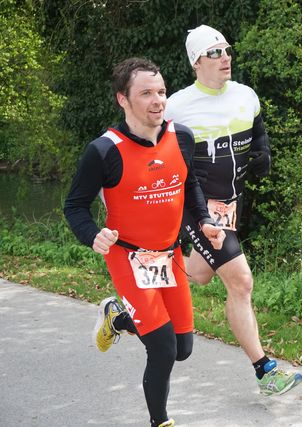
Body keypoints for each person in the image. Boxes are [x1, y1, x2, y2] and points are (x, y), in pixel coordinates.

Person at [64, 57, 225, 427]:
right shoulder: (104, 151)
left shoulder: (181, 137)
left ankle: (118, 318)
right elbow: (74, 206)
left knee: (182, 347)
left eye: (162, 92)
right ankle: (160, 422)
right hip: (128, 256)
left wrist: (204, 219)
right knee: (163, 348)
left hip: (169, 255)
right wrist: (93, 235)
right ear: (123, 99)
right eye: (147, 93)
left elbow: (188, 183)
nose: (158, 101)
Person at [165, 25, 302, 396]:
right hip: (196, 206)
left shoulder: (245, 96)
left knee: (199, 274)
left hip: (229, 205)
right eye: (214, 52)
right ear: (196, 62)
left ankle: (136, 292)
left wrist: (263, 153)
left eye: (226, 50)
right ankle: (265, 372)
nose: (225, 57)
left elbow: (258, 133)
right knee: (241, 282)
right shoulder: (177, 107)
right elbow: (152, 151)